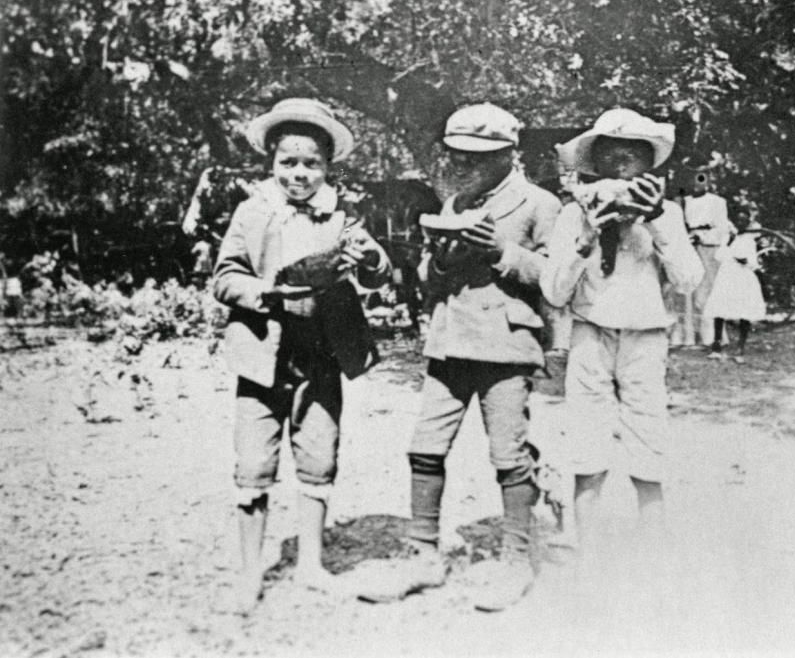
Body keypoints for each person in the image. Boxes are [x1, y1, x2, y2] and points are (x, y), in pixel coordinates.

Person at [356, 102, 561, 611]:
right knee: (424, 447)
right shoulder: (453, 203)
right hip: (450, 343)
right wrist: (439, 261)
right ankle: (422, 553)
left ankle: (516, 556)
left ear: (510, 154)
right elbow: (429, 279)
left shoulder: (539, 204)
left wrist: (501, 253)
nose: (465, 164)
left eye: (479, 156)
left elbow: (557, 280)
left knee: (508, 453)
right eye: (457, 155)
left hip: (506, 346)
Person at [213, 98, 392, 613]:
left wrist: (371, 258)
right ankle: (250, 573)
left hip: (320, 354)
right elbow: (225, 277)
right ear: (271, 163)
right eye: (288, 162)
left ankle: (311, 564)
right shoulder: (252, 212)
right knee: (254, 462)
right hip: (262, 353)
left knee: (319, 455)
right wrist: (262, 291)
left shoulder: (341, 214)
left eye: (311, 163)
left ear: (327, 167)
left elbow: (377, 269)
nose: (299, 173)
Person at [541, 108, 703, 568]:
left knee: (648, 432)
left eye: (635, 151)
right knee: (587, 434)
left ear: (649, 161)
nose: (622, 159)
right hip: (592, 331)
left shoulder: (667, 212)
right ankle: (588, 546)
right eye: (611, 150)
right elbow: (554, 290)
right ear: (596, 157)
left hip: (646, 335)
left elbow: (690, 281)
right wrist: (587, 236)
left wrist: (656, 222)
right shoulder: (575, 213)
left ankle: (653, 544)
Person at [679, 168, 734, 346]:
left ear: (708, 182)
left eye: (701, 180)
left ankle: (711, 336)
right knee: (688, 290)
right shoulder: (685, 202)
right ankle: (688, 335)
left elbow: (722, 229)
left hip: (708, 249)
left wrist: (702, 237)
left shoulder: (717, 202)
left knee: (707, 290)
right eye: (694, 180)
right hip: (689, 247)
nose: (697, 184)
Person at [703, 208, 766, 363]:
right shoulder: (728, 237)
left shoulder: (749, 240)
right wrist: (729, 242)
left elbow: (754, 263)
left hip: (743, 276)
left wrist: (745, 261)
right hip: (727, 275)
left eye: (744, 220)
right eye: (738, 220)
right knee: (720, 309)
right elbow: (719, 256)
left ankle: (740, 347)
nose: (740, 223)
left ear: (748, 222)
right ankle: (716, 345)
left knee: (744, 311)